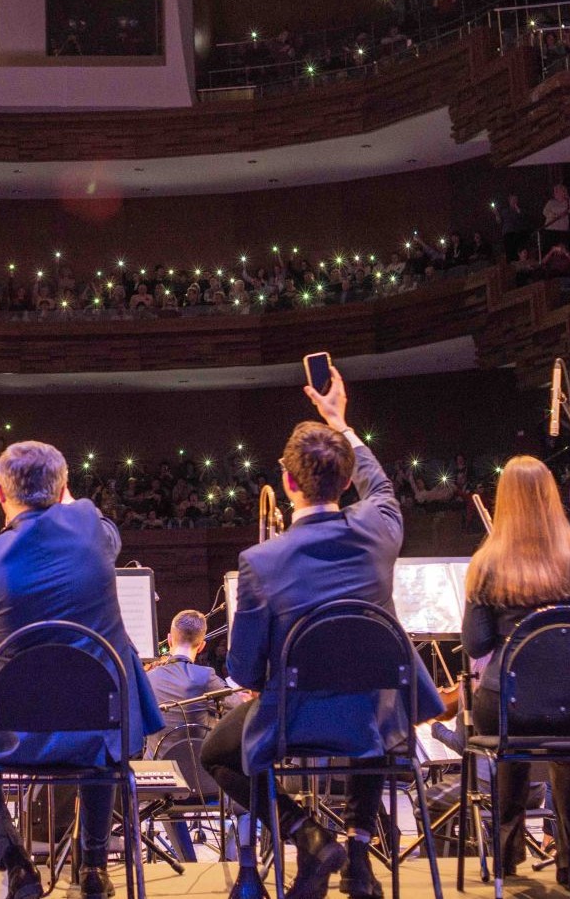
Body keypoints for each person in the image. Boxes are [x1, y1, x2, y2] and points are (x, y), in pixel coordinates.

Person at [202, 371, 440, 899]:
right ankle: (358, 857)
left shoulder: (260, 562)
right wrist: (341, 421)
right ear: (346, 477)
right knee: (368, 715)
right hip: (375, 717)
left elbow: (243, 671)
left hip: (294, 720)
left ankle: (306, 835)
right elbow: (380, 486)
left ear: (288, 482)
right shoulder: (381, 530)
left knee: (215, 753)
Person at [0, 441, 163, 899]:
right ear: (64, 488)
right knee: (102, 736)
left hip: (13, 736)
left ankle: (17, 865)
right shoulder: (93, 530)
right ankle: (95, 867)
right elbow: (99, 524)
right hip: (104, 727)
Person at [462, 455, 570, 887]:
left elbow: (476, 644)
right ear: (554, 497)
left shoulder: (487, 566)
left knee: (509, 750)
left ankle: (506, 858)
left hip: (508, 705)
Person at [146, 609, 242, 737]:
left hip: (157, 757)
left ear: (169, 640)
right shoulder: (205, 677)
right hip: (194, 756)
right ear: (202, 646)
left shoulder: (149, 677)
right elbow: (238, 708)